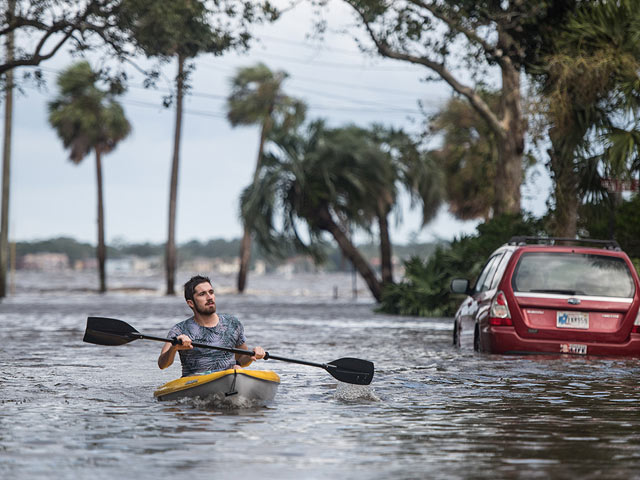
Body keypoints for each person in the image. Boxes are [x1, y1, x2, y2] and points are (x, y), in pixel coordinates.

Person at [158, 275, 265, 377]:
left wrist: (252, 355)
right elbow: (162, 364)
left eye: (211, 292)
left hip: (229, 379)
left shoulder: (232, 323)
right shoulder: (179, 330)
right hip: (195, 384)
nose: (209, 297)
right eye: (202, 294)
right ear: (191, 303)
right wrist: (174, 347)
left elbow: (241, 358)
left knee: (237, 369)